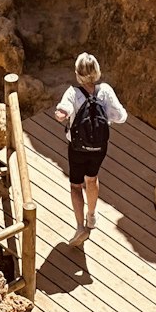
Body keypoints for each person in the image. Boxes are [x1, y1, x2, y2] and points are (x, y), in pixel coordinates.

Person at [54, 52, 126, 244]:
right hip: (99, 148)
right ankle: (91, 216)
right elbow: (121, 116)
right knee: (92, 179)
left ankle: (80, 227)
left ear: (78, 74)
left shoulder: (72, 93)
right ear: (97, 71)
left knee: (76, 185)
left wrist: (62, 113)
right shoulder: (106, 91)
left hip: (77, 148)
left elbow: (64, 110)